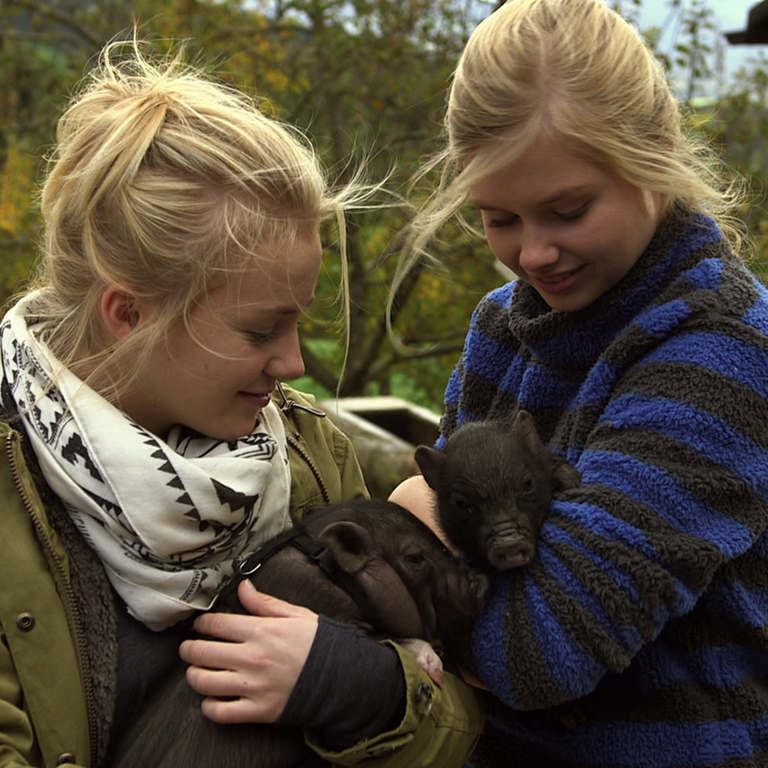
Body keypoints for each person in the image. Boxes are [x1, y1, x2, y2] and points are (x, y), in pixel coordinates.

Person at [0, 39, 484, 768]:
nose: (292, 365)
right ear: (128, 313)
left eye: (299, 320)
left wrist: (374, 695)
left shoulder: (308, 451)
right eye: (261, 329)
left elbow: (457, 709)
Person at [388, 0, 768, 765]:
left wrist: (409, 513)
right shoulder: (501, 331)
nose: (533, 255)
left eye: (567, 210)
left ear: (653, 155)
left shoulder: (723, 350)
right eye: (500, 218)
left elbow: (536, 652)